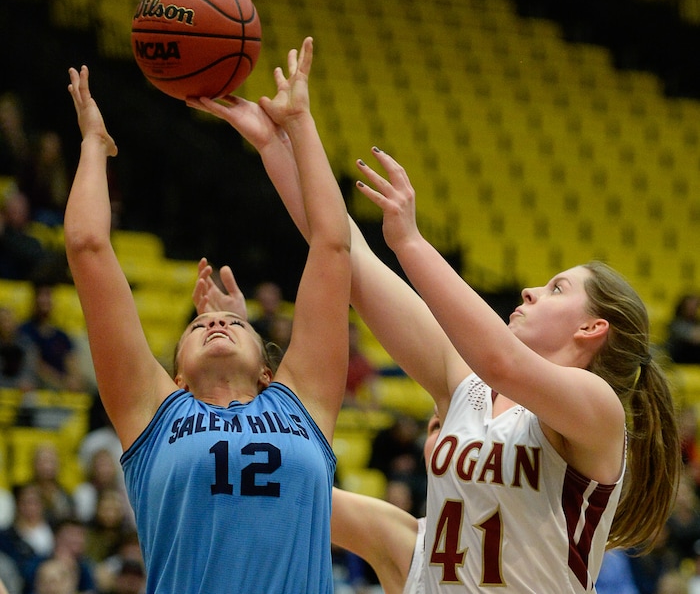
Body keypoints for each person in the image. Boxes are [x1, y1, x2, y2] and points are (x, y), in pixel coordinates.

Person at [190, 90, 680, 591]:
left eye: (557, 288)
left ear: (592, 328)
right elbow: (348, 260)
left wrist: (410, 241)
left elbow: (501, 362)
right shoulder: (464, 388)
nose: (531, 290)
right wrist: (280, 142)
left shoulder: (598, 411)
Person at [64, 35, 351, 594]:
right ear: (174, 376)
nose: (215, 322)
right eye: (198, 327)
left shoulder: (304, 400)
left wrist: (300, 126)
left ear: (268, 371)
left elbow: (333, 248)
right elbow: (87, 246)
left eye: (231, 324)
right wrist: (94, 146)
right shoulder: (151, 412)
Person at [192, 258, 441, 594]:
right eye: (435, 423)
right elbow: (266, 482)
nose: (433, 429)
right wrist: (242, 345)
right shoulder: (409, 541)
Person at [666, 294, 700, 364]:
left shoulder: (696, 322)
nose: (693, 309)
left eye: (695, 306)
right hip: (679, 360)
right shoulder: (675, 324)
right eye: (690, 306)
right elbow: (694, 337)